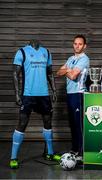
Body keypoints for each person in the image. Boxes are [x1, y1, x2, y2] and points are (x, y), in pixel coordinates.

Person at [10, 39, 61, 169]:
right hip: (28, 94)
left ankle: (49, 153)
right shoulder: (22, 51)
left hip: (44, 95)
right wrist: (17, 93)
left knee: (48, 122)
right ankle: (13, 157)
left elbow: (50, 74)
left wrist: (54, 90)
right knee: (22, 123)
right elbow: (15, 74)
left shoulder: (46, 52)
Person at [57, 34, 90, 160]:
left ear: (84, 46)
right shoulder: (70, 58)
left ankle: (81, 152)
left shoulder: (84, 59)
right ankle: (75, 149)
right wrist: (68, 70)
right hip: (70, 94)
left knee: (78, 124)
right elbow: (58, 72)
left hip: (79, 94)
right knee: (72, 123)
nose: (77, 46)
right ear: (73, 44)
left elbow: (73, 76)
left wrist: (66, 70)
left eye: (80, 44)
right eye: (75, 43)